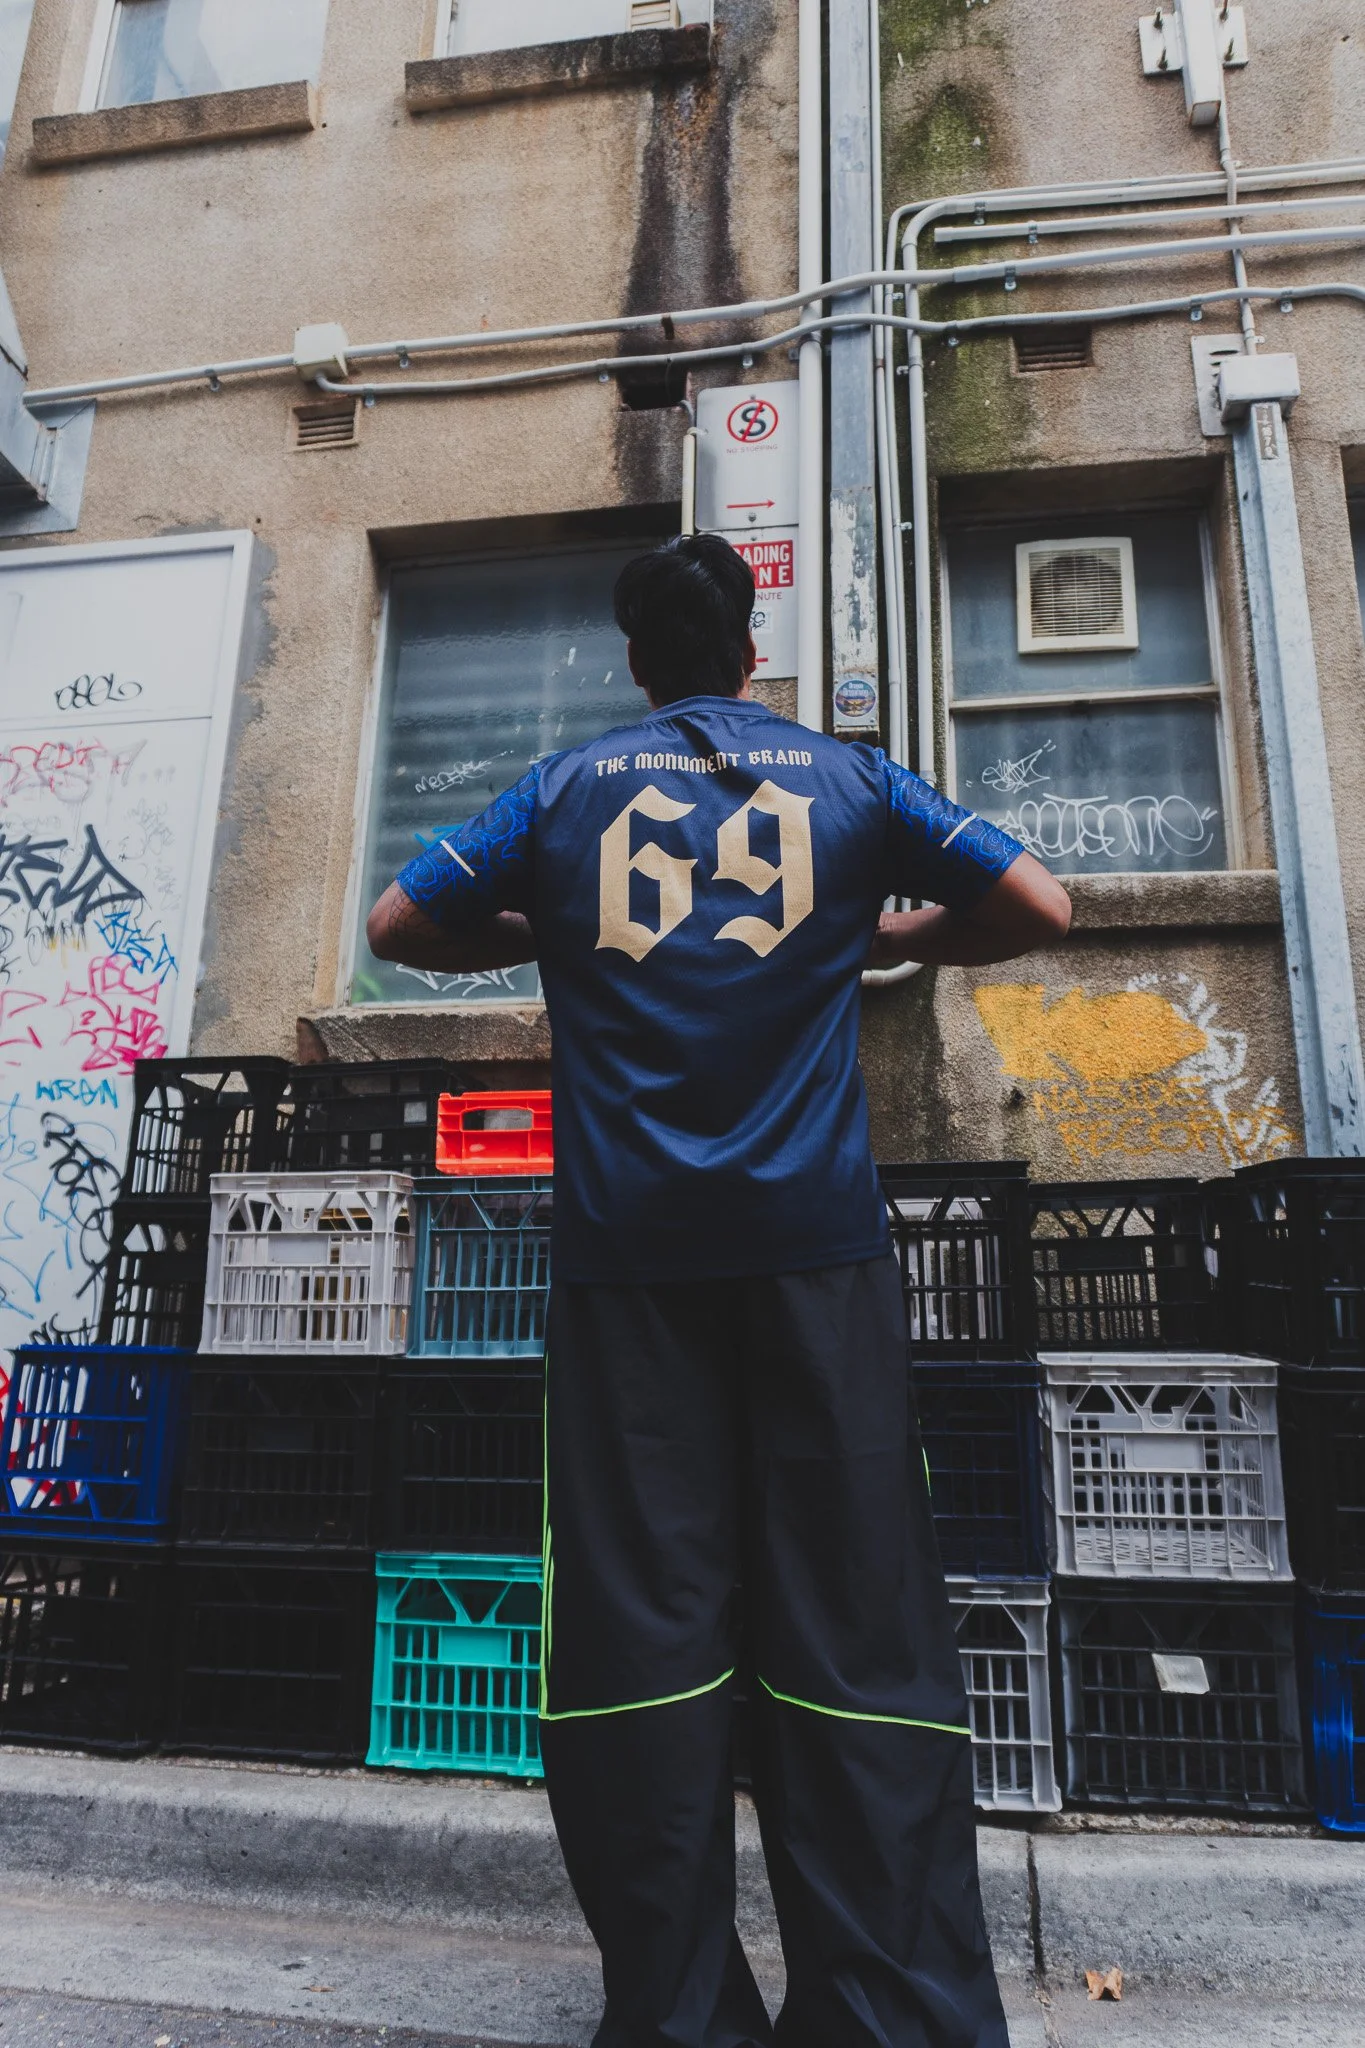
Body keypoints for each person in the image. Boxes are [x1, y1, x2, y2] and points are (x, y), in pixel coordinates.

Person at [368, 532, 1072, 2048]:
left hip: (629, 1264)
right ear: (754, 653)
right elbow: (1040, 904)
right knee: (856, 1612)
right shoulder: (853, 779)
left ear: (639, 663)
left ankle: (679, 2015)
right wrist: (889, 935)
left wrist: (551, 933)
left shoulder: (563, 787)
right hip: (818, 1256)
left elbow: (398, 926)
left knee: (642, 1621)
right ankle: (888, 2009)